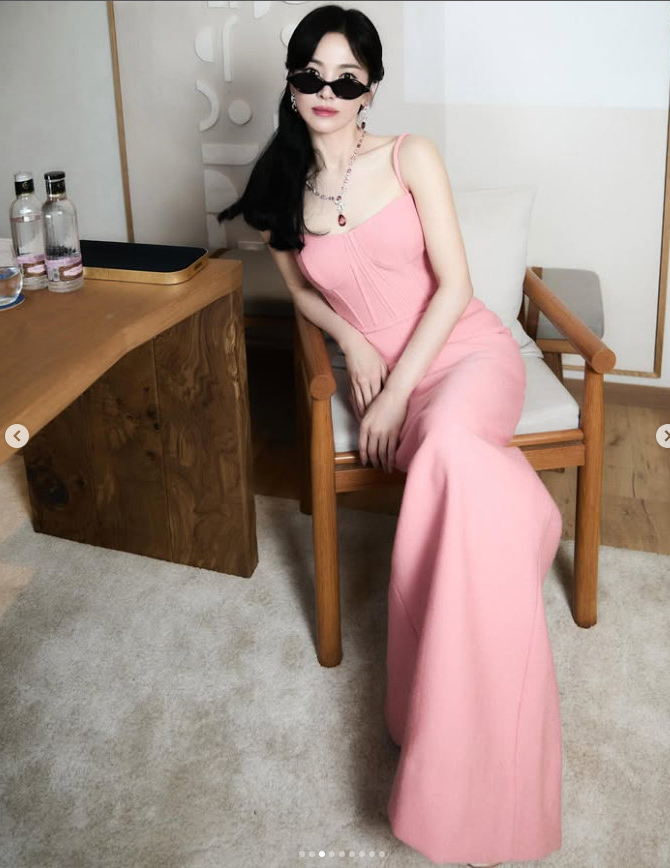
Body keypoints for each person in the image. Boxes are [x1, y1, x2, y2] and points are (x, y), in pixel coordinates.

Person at [219, 6, 563, 866]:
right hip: (383, 374)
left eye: (346, 79)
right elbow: (301, 292)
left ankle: (454, 721)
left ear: (369, 88)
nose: (326, 92)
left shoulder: (411, 157)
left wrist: (393, 392)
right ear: (291, 82)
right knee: (460, 469)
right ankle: (520, 517)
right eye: (310, 75)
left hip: (464, 356)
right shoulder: (277, 192)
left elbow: (455, 287)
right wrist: (352, 338)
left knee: (446, 450)